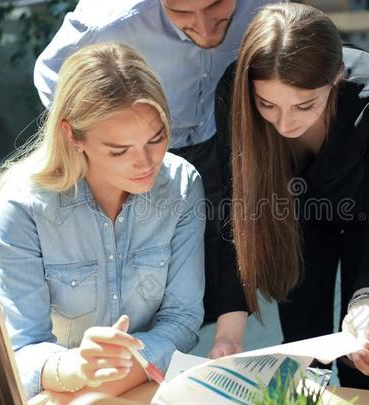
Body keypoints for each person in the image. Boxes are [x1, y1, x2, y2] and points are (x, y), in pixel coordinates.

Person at [34, 0, 280, 359]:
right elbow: (51, 75)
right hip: (149, 147)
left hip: (218, 141)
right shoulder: (110, 17)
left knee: (216, 252)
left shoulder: (268, 6)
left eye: (216, 8)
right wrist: (102, 149)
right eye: (182, 15)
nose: (207, 30)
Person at [214, 3, 369, 390]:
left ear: (335, 78)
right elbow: (234, 211)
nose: (285, 124)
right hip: (294, 219)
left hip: (368, 216)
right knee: (305, 353)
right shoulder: (233, 92)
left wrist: (367, 303)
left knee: (362, 355)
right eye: (267, 105)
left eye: (304, 105)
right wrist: (228, 331)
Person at [0, 43, 205, 400]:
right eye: (119, 151)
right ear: (72, 136)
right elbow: (23, 346)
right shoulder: (22, 206)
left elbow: (181, 320)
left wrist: (100, 387)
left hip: (143, 386)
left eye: (157, 139)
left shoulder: (181, 187)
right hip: (58, 389)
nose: (147, 162)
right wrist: (76, 368)